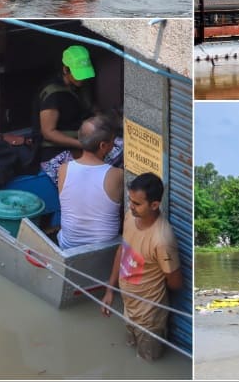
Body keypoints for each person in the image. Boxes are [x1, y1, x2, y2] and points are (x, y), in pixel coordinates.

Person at [102, 173, 182, 361]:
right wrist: (110, 289)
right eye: (130, 201)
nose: (131, 207)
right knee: (130, 354)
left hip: (149, 319)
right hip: (128, 307)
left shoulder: (162, 240)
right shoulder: (130, 217)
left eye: (137, 204)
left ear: (154, 205)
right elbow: (123, 250)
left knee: (147, 363)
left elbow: (176, 282)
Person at [56, 113, 124, 250]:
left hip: (68, 245)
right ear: (103, 145)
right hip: (104, 249)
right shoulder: (116, 175)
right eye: (113, 141)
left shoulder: (64, 169)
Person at [33, 45, 98, 185]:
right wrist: (81, 144)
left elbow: (89, 108)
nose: (82, 79)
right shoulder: (53, 94)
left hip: (80, 141)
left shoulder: (79, 86)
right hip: (53, 151)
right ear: (65, 69)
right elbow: (48, 132)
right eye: (77, 73)